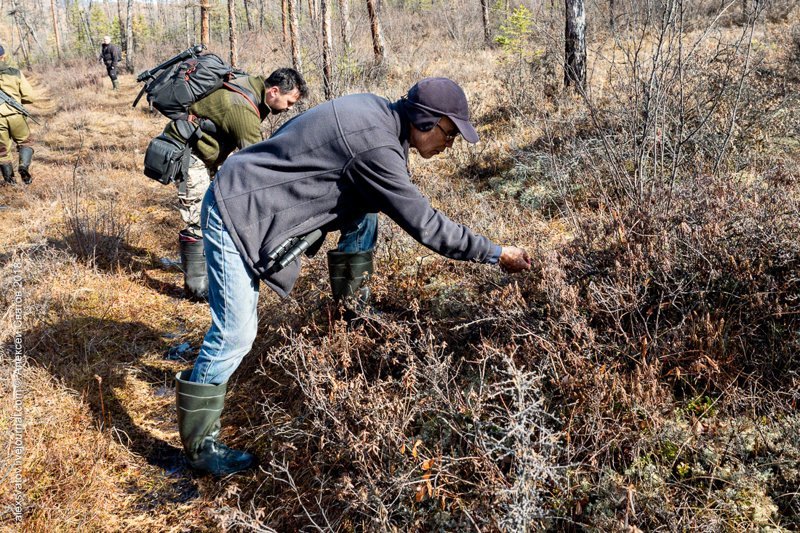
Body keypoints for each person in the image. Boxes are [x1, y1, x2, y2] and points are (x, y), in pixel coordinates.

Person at [174, 77, 532, 476]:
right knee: (235, 333)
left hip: (251, 198)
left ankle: (350, 315)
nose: (448, 146)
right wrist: (496, 253)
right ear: (427, 121)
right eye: (449, 135)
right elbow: (427, 226)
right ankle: (200, 447)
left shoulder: (377, 112)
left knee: (365, 210)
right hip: (236, 211)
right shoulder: (377, 148)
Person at [166, 67, 308, 301]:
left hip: (208, 153)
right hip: (190, 155)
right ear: (273, 91)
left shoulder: (254, 89)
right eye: (289, 102)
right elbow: (259, 161)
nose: (289, 109)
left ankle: (207, 273)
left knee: (212, 214)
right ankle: (196, 288)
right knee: (195, 217)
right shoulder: (243, 108)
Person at [0, 45, 35, 185]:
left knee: (2, 151)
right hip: (16, 115)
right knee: (25, 142)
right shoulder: (15, 73)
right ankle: (23, 167)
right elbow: (29, 97)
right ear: (3, 56)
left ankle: (10, 182)